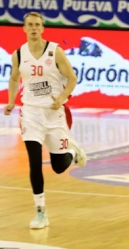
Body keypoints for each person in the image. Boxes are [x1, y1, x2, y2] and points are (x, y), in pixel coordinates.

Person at [3, 12, 87, 229]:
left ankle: (72, 151)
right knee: (33, 160)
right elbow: (14, 79)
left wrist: (61, 98)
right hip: (30, 113)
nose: (33, 28)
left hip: (53, 113)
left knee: (59, 167)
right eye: (29, 24)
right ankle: (40, 212)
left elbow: (72, 78)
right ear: (23, 28)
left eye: (37, 25)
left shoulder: (55, 51)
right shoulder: (19, 55)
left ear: (42, 28)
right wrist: (11, 101)